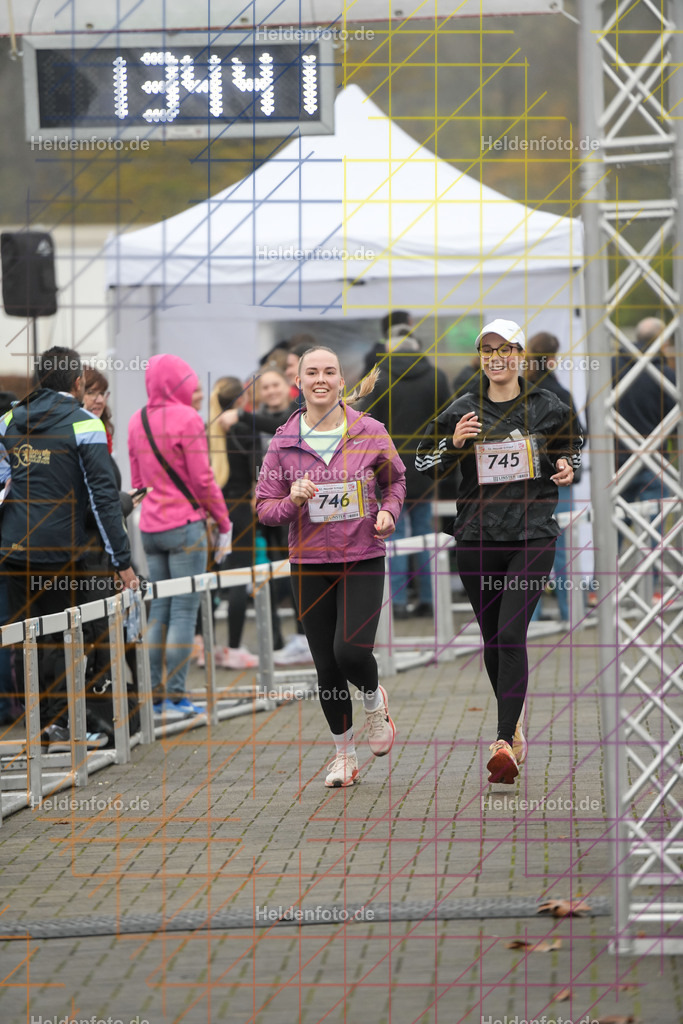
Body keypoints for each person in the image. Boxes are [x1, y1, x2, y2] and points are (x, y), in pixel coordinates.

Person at [416, 320, 582, 785]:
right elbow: (422, 465)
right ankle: (515, 724)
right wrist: (453, 444)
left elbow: (574, 448)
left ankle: (503, 739)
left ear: (519, 354)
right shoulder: (463, 409)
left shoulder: (549, 406)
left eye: (506, 349)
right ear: (481, 358)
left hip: (532, 535)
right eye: (488, 350)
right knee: (493, 640)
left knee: (510, 634)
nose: (497, 358)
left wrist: (568, 465)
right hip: (477, 538)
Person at [256, 346, 406, 788]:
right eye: (312, 373)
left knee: (350, 652)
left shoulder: (370, 430)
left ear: (342, 380)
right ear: (297, 383)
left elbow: (394, 480)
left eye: (330, 372)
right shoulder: (283, 441)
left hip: (362, 554)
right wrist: (292, 501)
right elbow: (264, 508)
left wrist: (390, 513)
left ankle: (374, 701)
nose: (321, 379)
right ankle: (344, 756)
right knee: (325, 665)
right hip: (309, 561)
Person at [0, 347, 138, 751]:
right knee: (61, 636)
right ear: (77, 383)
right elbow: (103, 499)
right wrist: (123, 563)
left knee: (25, 638)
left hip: (11, 549)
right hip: (59, 550)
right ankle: (60, 725)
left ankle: (41, 726)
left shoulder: (8, 419)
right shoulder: (85, 423)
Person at [128, 354, 232, 721]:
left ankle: (155, 699)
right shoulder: (188, 418)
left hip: (150, 528)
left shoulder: (136, 420)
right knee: (185, 610)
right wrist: (223, 522)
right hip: (186, 526)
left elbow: (138, 482)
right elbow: (203, 479)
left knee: (159, 610)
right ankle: (176, 697)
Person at [360, 327, 451, 618]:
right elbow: (448, 421)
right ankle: (429, 598)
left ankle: (396, 602)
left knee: (392, 533)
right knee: (425, 532)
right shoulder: (436, 377)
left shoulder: (379, 379)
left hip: (387, 467)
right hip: (425, 466)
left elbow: (364, 424)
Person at [612, 317, 677, 597]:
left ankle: (599, 587)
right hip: (657, 461)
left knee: (612, 524)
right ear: (661, 341)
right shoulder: (669, 376)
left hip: (617, 461)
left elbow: (592, 411)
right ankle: (651, 589)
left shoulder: (609, 369)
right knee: (654, 529)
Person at [526, 332, 586, 625]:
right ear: (552, 359)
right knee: (562, 551)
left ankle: (530, 616)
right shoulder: (561, 395)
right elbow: (577, 438)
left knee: (528, 553)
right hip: (559, 482)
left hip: (524, 485)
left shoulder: (517, 393)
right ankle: (569, 612)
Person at [206, 376, 261, 670]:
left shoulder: (207, 430)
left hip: (212, 512)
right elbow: (259, 467)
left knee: (211, 580)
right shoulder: (245, 428)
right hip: (239, 509)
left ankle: (206, 647)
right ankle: (235, 647)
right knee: (239, 577)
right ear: (241, 400)